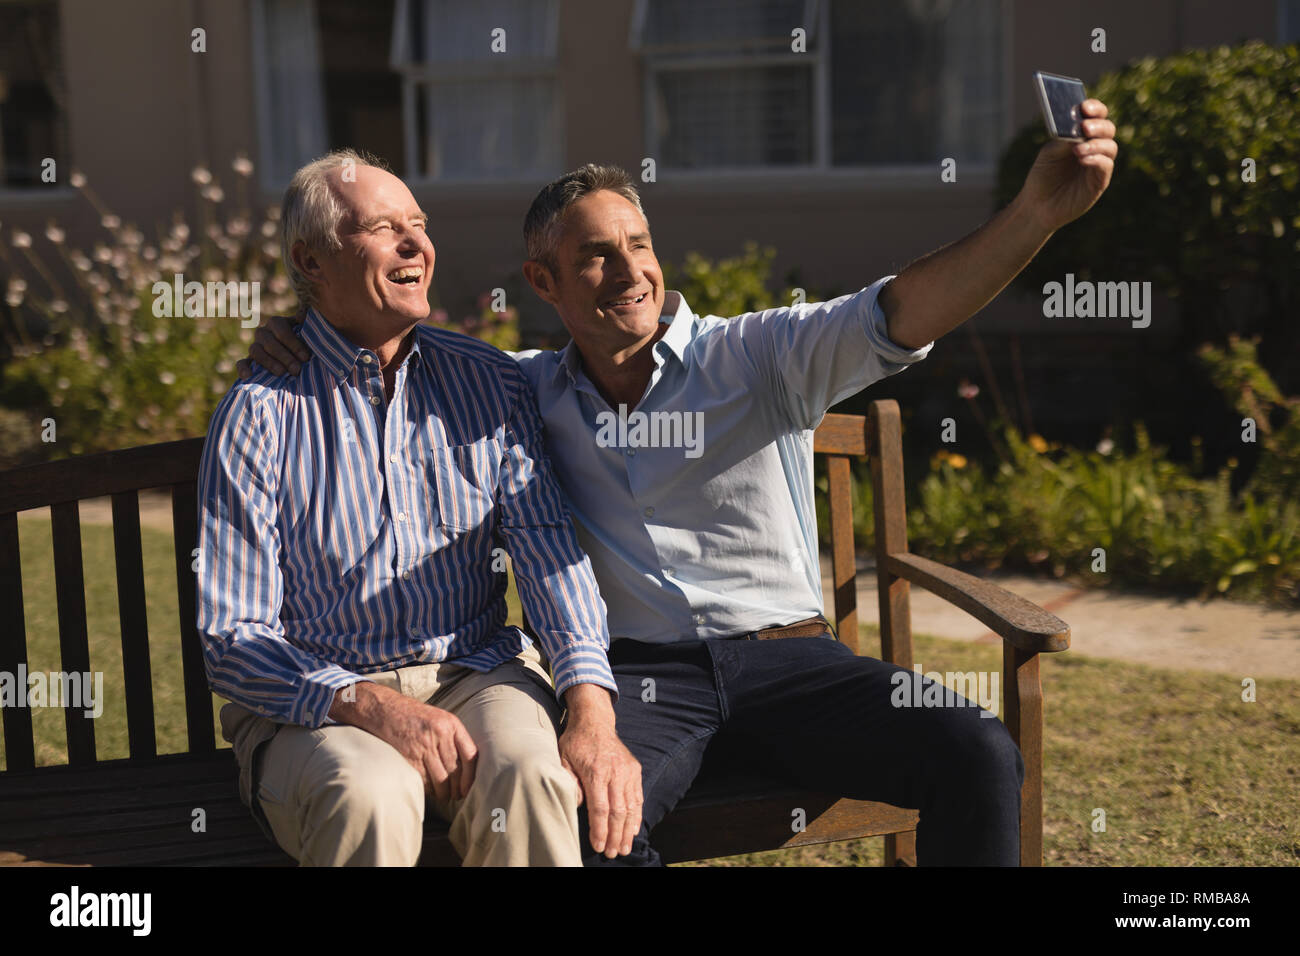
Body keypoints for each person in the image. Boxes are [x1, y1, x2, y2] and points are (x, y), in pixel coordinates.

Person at [242, 101, 1118, 865]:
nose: (630, 274)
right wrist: (300, 327)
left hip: (793, 662)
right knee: (595, 820)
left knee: (974, 748)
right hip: (643, 682)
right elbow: (392, 345)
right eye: (595, 257)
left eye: (639, 245)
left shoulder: (760, 355)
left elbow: (904, 310)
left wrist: (1035, 216)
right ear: (542, 282)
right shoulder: (524, 389)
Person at [200, 149, 641, 867]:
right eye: (383, 228)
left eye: (419, 225)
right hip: (318, 703)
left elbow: (550, 560)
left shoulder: (489, 383)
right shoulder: (259, 414)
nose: (416, 246)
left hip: (474, 674)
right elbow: (233, 635)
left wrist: (591, 709)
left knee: (532, 779)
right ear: (311, 263)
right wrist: (367, 703)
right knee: (369, 793)